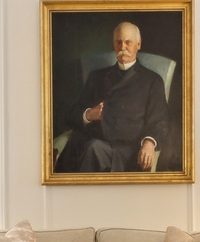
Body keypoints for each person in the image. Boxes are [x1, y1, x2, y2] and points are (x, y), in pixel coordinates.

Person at [55, 21, 169, 172]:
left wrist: (149, 142)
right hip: (90, 141)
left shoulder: (152, 80)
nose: (123, 47)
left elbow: (160, 122)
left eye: (128, 42)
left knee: (93, 149)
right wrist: (89, 114)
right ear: (113, 44)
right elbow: (70, 115)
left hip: (126, 150)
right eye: (118, 42)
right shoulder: (97, 77)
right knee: (87, 148)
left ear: (138, 44)